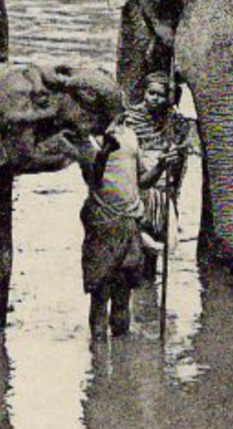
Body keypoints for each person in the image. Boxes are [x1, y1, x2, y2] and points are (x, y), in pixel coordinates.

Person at [78, 118, 149, 337]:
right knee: (99, 298)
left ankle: (121, 363)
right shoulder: (86, 139)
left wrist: (163, 165)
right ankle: (98, 363)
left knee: (123, 298)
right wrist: (105, 151)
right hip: (102, 225)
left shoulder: (130, 135)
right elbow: (92, 179)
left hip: (130, 222)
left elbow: (143, 179)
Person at [126, 70, 192, 250]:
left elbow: (180, 166)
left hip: (163, 192)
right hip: (139, 192)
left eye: (161, 95)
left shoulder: (174, 123)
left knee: (166, 248)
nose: (154, 98)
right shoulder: (130, 120)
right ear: (144, 93)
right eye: (151, 93)